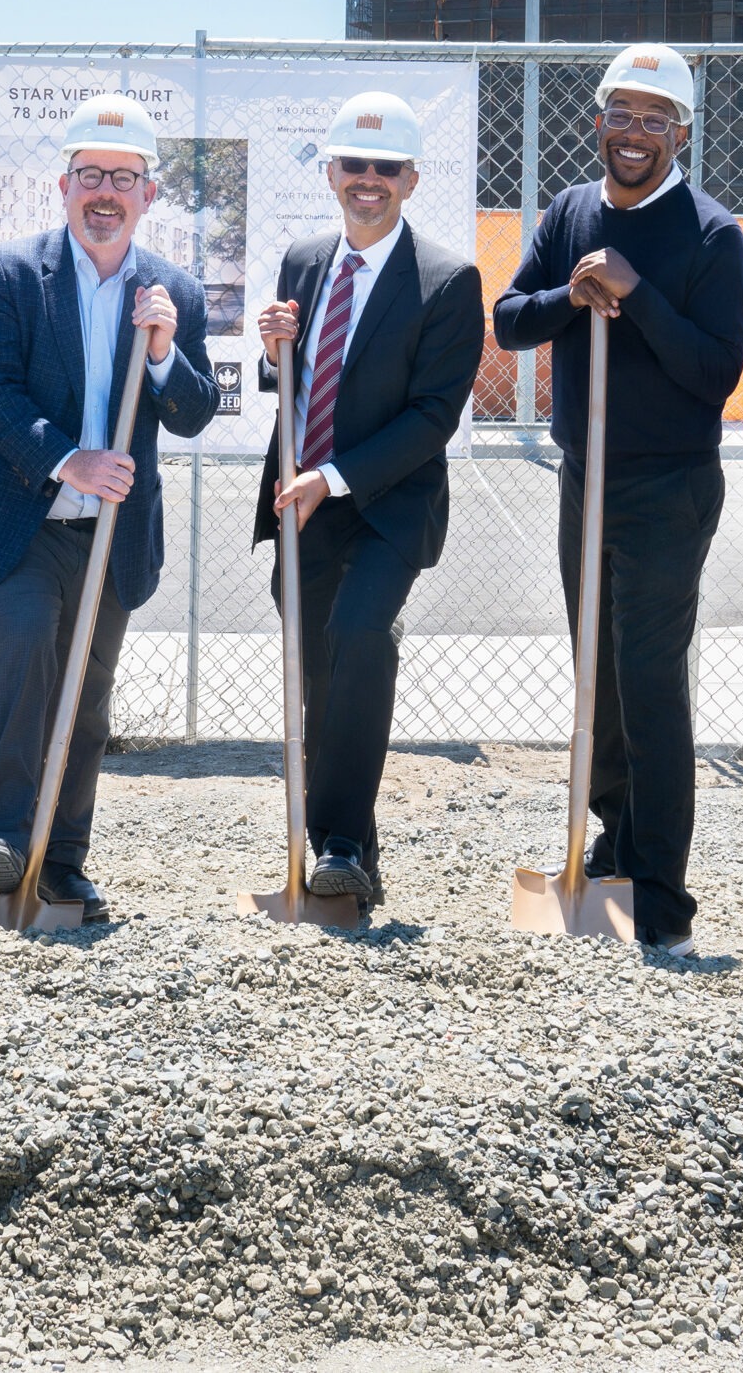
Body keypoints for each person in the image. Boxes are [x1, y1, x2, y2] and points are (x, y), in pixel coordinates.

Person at [493, 44, 743, 954]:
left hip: (666, 485)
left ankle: (664, 896)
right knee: (594, 669)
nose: (636, 133)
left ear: (681, 131)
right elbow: (509, 319)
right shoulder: (570, 213)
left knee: (649, 682)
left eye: (656, 118)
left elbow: (715, 372)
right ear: (595, 119)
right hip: (583, 476)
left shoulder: (712, 233)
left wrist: (636, 294)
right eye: (623, 114)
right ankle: (614, 836)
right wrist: (573, 292)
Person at [0, 93, 217, 923]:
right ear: (64, 186)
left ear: (149, 194)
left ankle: (61, 862)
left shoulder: (174, 291)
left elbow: (195, 411)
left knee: (88, 696)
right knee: (26, 647)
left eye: (123, 177)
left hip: (112, 536)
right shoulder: (7, 271)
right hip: (17, 519)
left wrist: (164, 353)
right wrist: (71, 458)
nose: (105, 191)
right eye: (90, 174)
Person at [252, 91, 484, 909]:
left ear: (412, 179)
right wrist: (272, 349)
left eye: (387, 168)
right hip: (301, 499)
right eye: (356, 165)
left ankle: (340, 839)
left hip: (388, 503)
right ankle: (349, 856)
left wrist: (335, 476)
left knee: (359, 636)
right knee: (316, 672)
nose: (369, 181)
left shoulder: (449, 279)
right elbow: (289, 382)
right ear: (331, 173)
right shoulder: (305, 258)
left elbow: (433, 417)